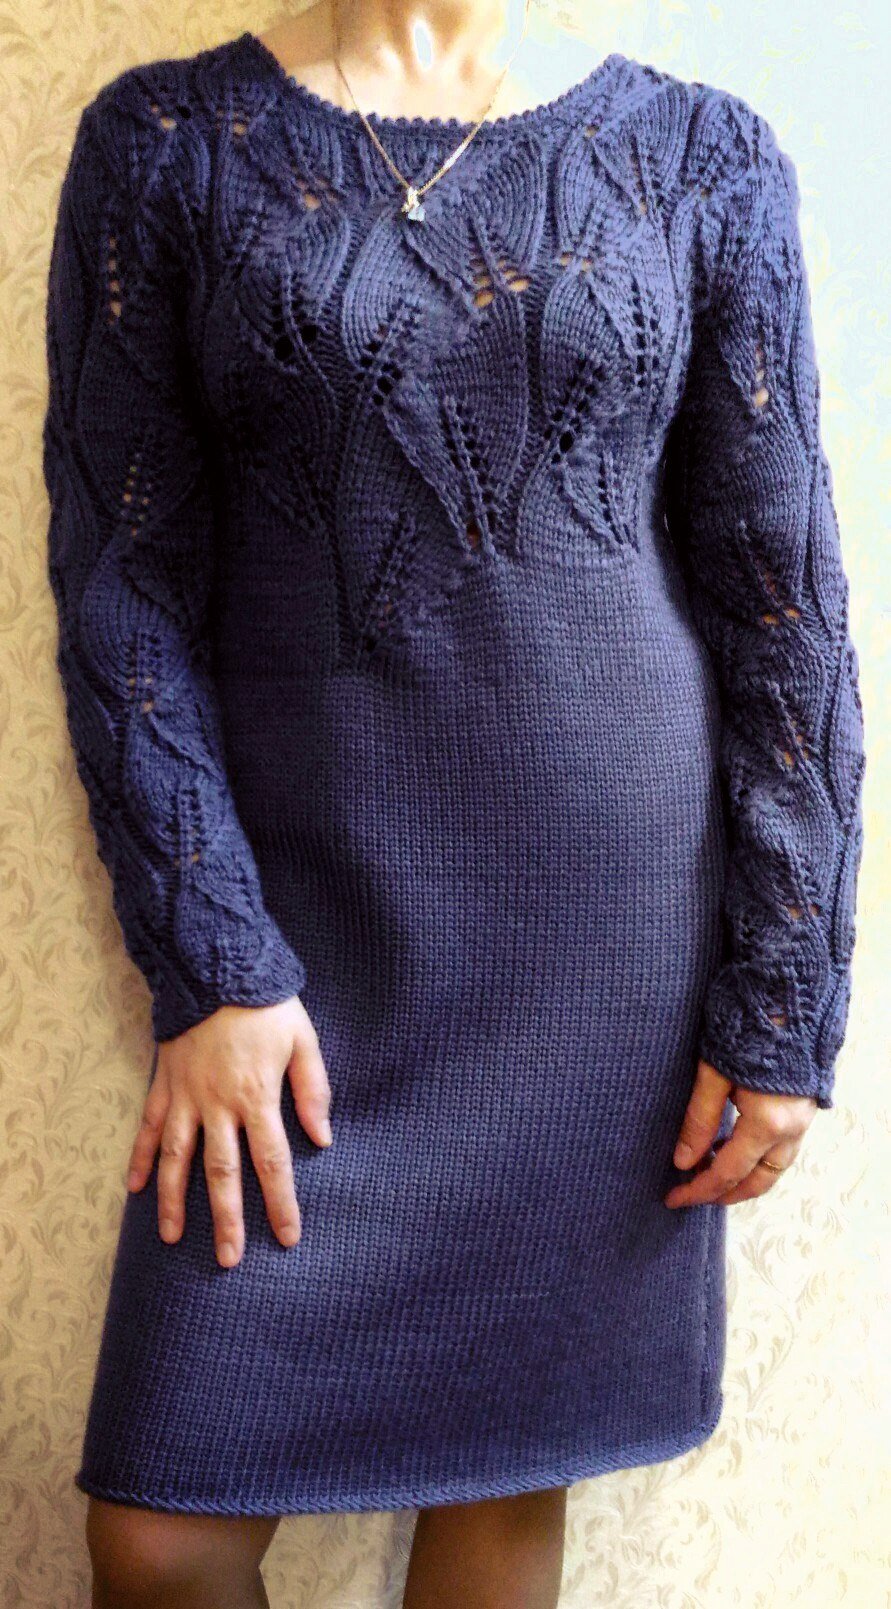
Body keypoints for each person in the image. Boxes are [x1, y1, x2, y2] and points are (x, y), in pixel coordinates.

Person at [42, 1, 865, 1605]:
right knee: (159, 1537)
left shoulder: (704, 157)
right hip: (303, 950)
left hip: (600, 962)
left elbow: (785, 607)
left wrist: (784, 1000)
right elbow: (121, 588)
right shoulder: (164, 147)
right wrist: (213, 962)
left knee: (500, 1479)